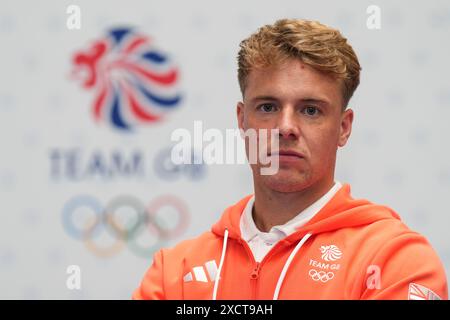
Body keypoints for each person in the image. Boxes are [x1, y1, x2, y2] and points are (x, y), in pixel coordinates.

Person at [133, 19, 448, 300]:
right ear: (242, 121)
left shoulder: (394, 260)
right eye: (268, 107)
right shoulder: (175, 271)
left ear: (343, 127)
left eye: (311, 110)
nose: (285, 128)